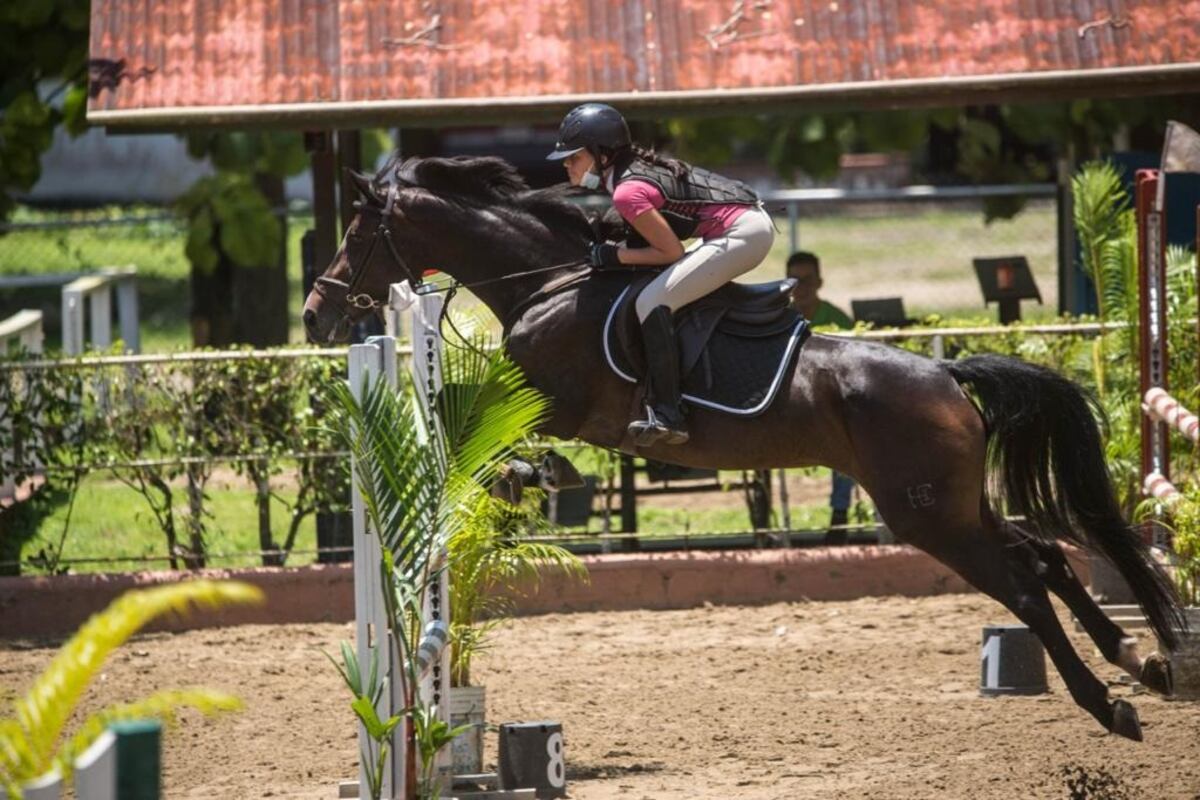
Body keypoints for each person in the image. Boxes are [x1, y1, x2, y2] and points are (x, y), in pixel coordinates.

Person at [547, 102, 774, 447]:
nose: (566, 164)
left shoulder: (626, 190)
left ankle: (669, 414)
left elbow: (670, 253)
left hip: (744, 235)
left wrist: (613, 256)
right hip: (739, 228)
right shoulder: (626, 174)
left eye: (574, 156)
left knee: (651, 301)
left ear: (600, 153)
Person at [785, 251, 856, 542]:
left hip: (830, 406)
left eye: (807, 279)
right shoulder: (779, 317)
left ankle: (839, 517)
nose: (800, 287)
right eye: (794, 280)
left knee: (849, 445)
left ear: (820, 282)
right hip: (788, 404)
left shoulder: (839, 320)